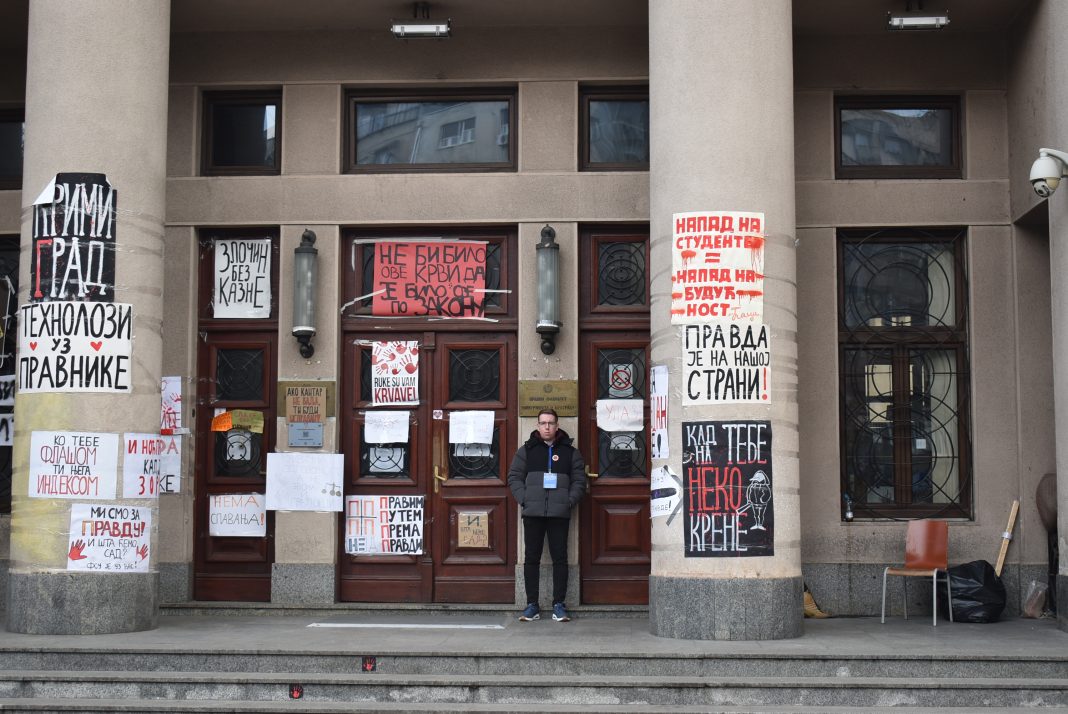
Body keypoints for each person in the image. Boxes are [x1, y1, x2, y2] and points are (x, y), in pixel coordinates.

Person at [507, 408, 586, 622]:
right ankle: (532, 605)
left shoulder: (570, 452)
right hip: (532, 512)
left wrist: (568, 501)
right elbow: (514, 477)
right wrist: (524, 499)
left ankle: (558, 605)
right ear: (537, 426)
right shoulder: (527, 451)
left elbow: (580, 480)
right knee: (531, 557)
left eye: (551, 423)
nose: (547, 427)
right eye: (543, 423)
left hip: (559, 513)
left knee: (560, 558)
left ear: (557, 426)